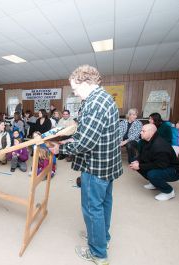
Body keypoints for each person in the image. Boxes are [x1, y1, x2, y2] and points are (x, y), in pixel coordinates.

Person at [49, 65, 122, 265]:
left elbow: (86, 143)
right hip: (108, 163)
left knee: (92, 208)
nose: (74, 93)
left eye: (75, 89)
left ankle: (98, 253)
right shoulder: (105, 98)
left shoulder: (94, 103)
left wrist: (60, 149)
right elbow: (91, 133)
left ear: (86, 83)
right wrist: (68, 140)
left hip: (95, 165)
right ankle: (102, 238)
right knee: (104, 203)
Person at [129, 124, 179, 200]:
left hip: (174, 170)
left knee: (152, 174)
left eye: (143, 131)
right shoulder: (145, 141)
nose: (141, 133)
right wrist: (137, 161)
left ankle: (169, 192)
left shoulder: (159, 145)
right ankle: (154, 183)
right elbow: (143, 155)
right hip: (161, 164)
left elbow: (161, 165)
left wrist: (140, 166)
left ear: (151, 132)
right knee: (135, 163)